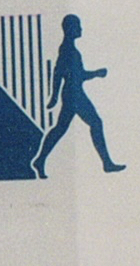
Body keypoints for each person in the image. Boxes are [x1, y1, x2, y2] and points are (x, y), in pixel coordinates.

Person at [32, 14, 125, 178]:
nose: (81, 29)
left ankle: (40, 160)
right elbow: (59, 73)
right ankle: (107, 163)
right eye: (78, 26)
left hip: (74, 93)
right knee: (95, 123)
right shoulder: (68, 49)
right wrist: (53, 96)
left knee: (61, 128)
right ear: (70, 29)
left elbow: (74, 74)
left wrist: (95, 74)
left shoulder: (70, 48)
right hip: (73, 95)